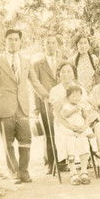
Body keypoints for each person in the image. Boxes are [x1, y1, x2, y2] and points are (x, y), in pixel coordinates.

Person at [0, 29, 48, 184]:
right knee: (8, 144)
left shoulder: (26, 61)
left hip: (22, 108)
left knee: (26, 141)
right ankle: (14, 174)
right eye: (9, 39)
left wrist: (46, 96)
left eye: (16, 39)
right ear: (5, 41)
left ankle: (24, 172)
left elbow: (35, 82)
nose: (12, 42)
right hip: (4, 108)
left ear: (21, 41)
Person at [49, 62, 94, 178]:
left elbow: (86, 111)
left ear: (74, 73)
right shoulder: (55, 91)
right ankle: (73, 171)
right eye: (63, 72)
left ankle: (84, 171)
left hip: (80, 122)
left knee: (83, 136)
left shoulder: (80, 89)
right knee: (69, 137)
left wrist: (85, 125)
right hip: (63, 124)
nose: (66, 74)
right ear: (59, 74)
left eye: (69, 71)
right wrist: (69, 126)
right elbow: (58, 115)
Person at [33, 33, 65, 174]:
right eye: (48, 43)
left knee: (62, 131)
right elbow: (35, 87)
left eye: (53, 43)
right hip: (45, 104)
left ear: (57, 45)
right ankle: (50, 163)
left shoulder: (63, 62)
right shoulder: (37, 65)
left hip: (62, 103)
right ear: (44, 46)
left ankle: (62, 161)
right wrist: (36, 108)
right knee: (49, 134)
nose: (51, 45)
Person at [59, 85, 100, 185]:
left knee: (90, 136)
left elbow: (86, 117)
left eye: (78, 96)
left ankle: (85, 169)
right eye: (73, 96)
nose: (76, 98)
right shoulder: (67, 106)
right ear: (68, 97)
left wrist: (83, 112)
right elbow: (64, 115)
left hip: (81, 128)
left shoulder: (81, 105)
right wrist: (73, 111)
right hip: (71, 130)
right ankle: (73, 172)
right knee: (71, 141)